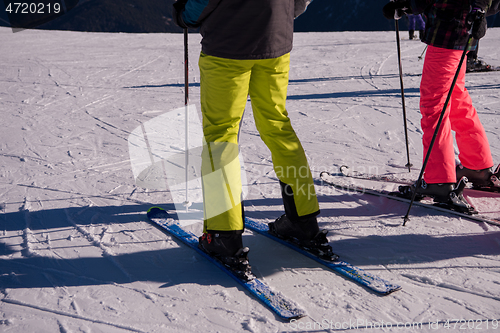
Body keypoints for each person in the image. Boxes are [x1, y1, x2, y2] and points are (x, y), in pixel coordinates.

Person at [172, 0, 332, 277]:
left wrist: (183, 14)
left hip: (228, 46)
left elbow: (199, 5)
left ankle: (224, 235)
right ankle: (303, 221)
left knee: (221, 135)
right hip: (276, 41)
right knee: (278, 125)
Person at [383, 0, 500, 208]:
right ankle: (477, 166)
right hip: (464, 30)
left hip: (447, 31)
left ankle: (439, 179)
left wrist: (407, 4)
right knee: (455, 96)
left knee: (434, 103)